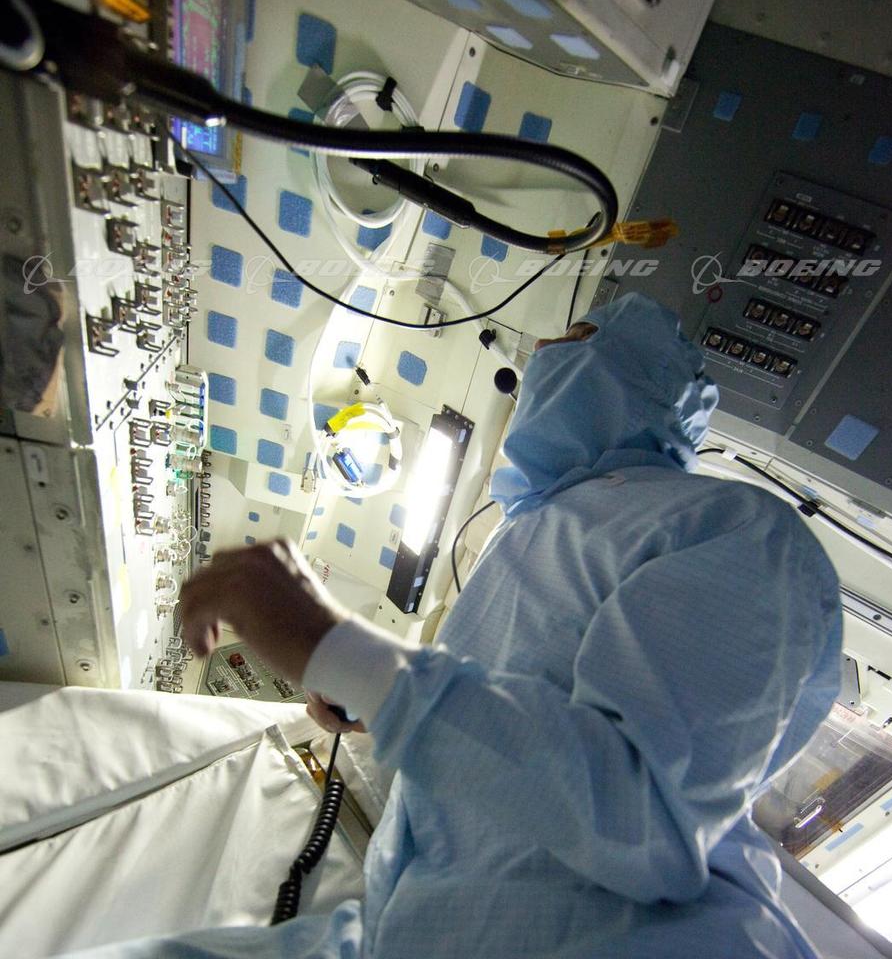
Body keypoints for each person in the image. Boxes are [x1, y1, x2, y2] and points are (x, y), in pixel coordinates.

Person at [78, 291, 843, 958]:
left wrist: (348, 655)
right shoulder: (534, 528)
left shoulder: (733, 528)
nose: (542, 352)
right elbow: (516, 740)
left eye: (574, 339)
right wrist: (371, 697)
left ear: (643, 379)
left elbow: (644, 816)